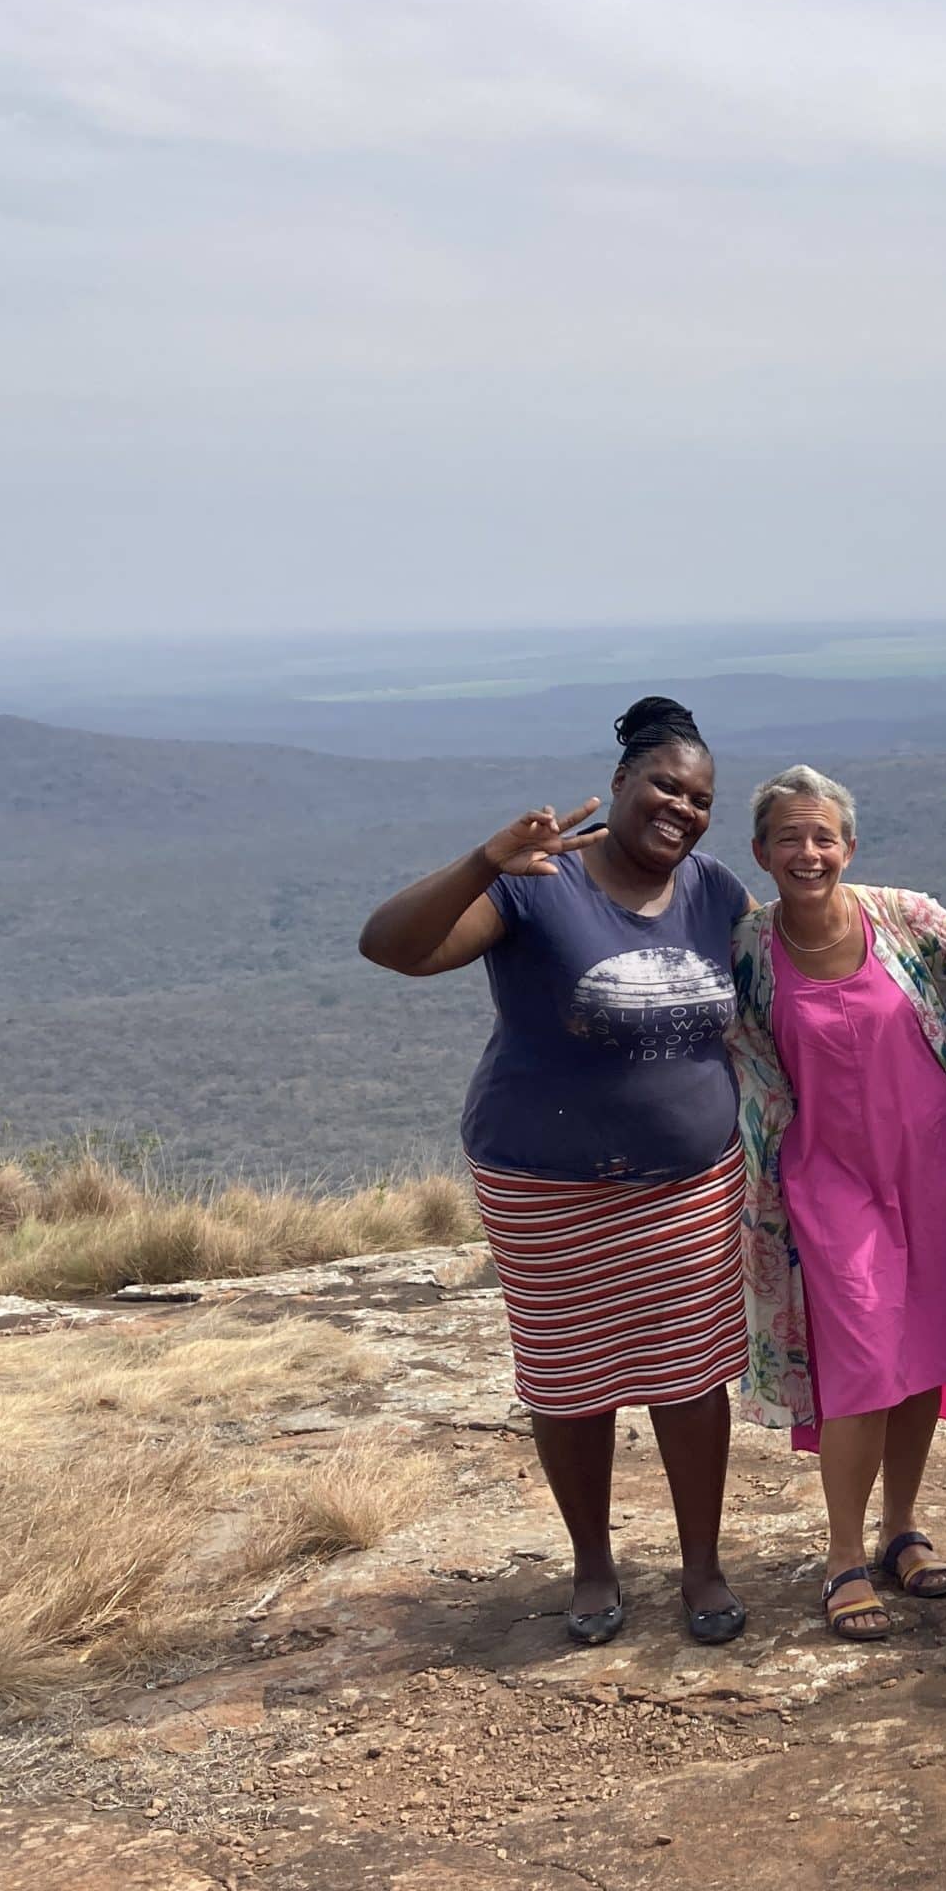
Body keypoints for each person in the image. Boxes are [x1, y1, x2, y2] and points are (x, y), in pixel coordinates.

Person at [359, 695, 751, 1648]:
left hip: (690, 1181)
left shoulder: (717, 893)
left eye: (700, 798)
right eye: (664, 785)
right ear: (618, 784)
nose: (682, 809)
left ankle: (701, 1566)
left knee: (690, 1376)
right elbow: (394, 948)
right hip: (544, 1179)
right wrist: (483, 863)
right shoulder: (538, 883)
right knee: (571, 1378)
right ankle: (593, 1565)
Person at [725, 766, 946, 1644]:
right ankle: (844, 1555)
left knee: (918, 1354)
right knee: (859, 1365)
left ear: (850, 846)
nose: (808, 853)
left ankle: (900, 1529)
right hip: (828, 1179)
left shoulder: (905, 918)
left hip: (941, 1167)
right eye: (790, 839)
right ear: (761, 852)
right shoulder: (748, 947)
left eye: (824, 837)